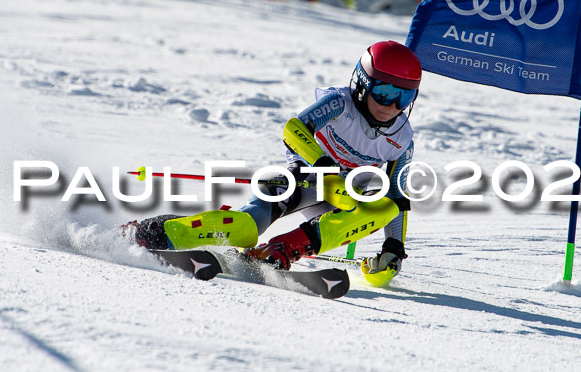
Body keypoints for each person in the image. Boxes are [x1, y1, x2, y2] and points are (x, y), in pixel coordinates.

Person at [124, 40, 421, 287]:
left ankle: (283, 248)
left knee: (385, 206)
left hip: (342, 200)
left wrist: (394, 248)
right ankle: (151, 233)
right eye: (385, 92)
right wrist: (319, 166)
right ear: (363, 82)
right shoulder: (340, 104)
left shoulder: (402, 139)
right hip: (301, 178)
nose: (391, 106)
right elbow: (294, 130)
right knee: (245, 227)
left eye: (403, 97)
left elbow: (397, 196)